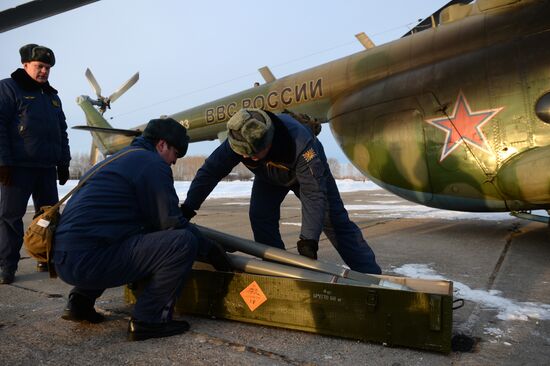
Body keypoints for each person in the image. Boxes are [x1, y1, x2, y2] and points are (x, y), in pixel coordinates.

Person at [53, 118, 230, 341]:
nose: (174, 162)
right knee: (182, 242)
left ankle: (80, 302)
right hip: (90, 262)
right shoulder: (151, 164)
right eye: (176, 154)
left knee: (124, 233)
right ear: (162, 144)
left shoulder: (117, 159)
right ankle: (150, 320)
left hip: (64, 260)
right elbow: (170, 223)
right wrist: (210, 250)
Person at [181, 108, 381, 274]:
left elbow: (313, 194)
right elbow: (210, 172)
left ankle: (372, 276)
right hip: (269, 176)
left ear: (267, 142)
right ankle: (279, 270)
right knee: (260, 216)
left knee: (335, 223)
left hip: (306, 175)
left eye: (252, 155)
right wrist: (189, 206)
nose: (248, 158)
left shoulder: (302, 145)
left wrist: (308, 239)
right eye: (243, 154)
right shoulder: (239, 138)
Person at [0, 44, 71, 284]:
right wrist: (3, 162)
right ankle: (6, 266)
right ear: (26, 65)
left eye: (48, 68)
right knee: (10, 217)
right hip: (18, 168)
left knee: (48, 217)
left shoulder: (52, 96)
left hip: (46, 168)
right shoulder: (8, 89)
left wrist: (63, 162)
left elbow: (61, 131)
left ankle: (46, 257)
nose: (44, 71)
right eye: (40, 66)